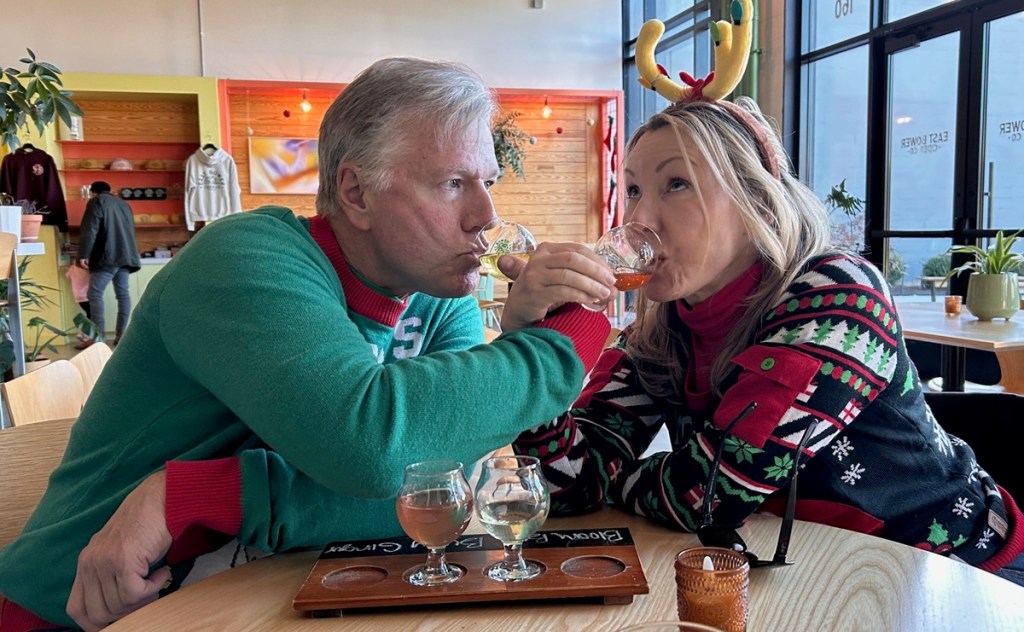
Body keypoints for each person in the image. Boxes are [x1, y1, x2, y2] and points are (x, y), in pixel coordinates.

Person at [0, 58, 618, 631]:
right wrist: (567, 335)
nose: (485, 214)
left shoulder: (439, 295)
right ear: (356, 193)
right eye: (453, 184)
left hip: (267, 594)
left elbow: (444, 491)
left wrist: (198, 496)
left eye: (485, 181)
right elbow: (373, 446)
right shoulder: (245, 259)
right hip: (84, 609)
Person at [511, 95, 1024, 585]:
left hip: (957, 571)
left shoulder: (839, 299)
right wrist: (536, 341)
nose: (639, 220)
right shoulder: (662, 329)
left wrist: (622, 480)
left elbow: (708, 495)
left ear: (755, 198)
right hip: (803, 571)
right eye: (635, 191)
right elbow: (566, 484)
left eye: (676, 185)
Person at [75, 180, 141, 347]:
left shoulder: (96, 202)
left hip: (107, 256)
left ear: (93, 192)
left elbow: (91, 228)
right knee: (123, 294)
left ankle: (96, 339)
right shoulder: (124, 204)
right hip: (125, 256)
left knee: (95, 294)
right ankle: (121, 335)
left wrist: (84, 254)